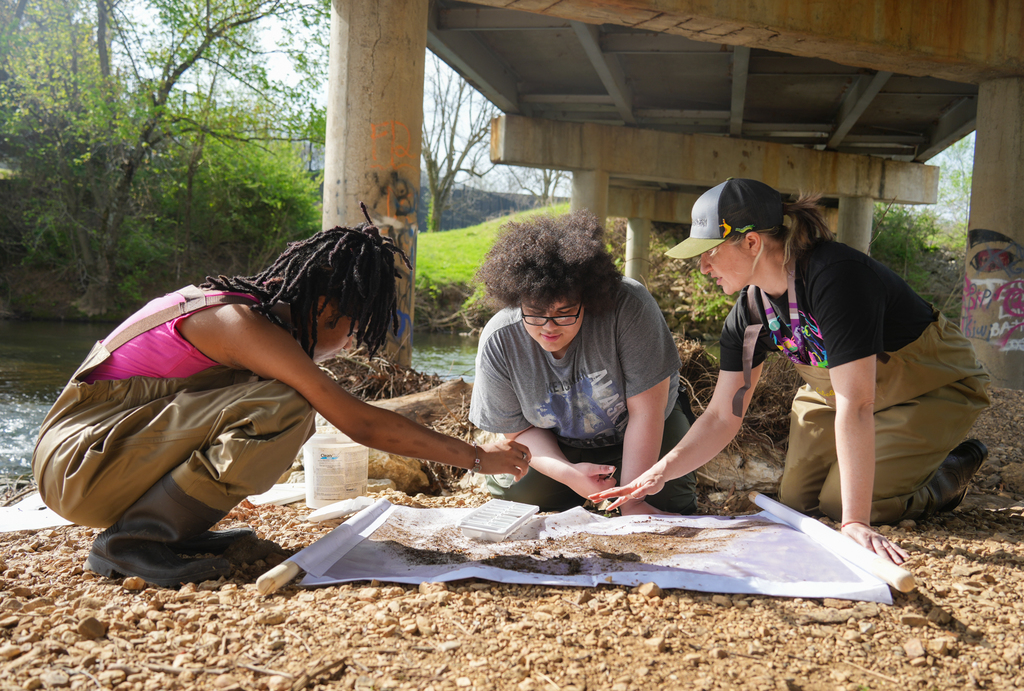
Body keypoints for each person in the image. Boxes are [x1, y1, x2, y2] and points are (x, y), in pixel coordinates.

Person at [32, 206, 531, 587]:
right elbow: (362, 423)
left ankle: (170, 530)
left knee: (281, 399)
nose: (351, 344)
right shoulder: (239, 322)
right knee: (286, 405)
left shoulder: (247, 315)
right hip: (77, 464)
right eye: (353, 327)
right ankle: (133, 541)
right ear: (325, 307)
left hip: (96, 457)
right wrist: (476, 457)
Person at [592, 179, 991, 564]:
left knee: (842, 505)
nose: (703, 266)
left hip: (928, 388)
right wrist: (661, 471)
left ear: (752, 242)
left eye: (709, 251)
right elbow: (721, 416)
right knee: (799, 501)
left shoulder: (836, 277)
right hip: (835, 396)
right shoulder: (749, 314)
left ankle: (949, 474)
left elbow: (858, 403)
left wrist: (855, 522)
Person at [469, 210, 697, 515]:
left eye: (564, 313)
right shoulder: (500, 339)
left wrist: (632, 500)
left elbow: (646, 413)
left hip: (649, 427)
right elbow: (519, 432)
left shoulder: (630, 308)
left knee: (667, 503)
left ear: (587, 300)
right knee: (520, 499)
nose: (549, 327)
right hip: (556, 441)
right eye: (535, 313)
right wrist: (569, 474)